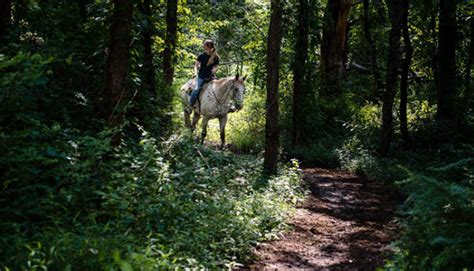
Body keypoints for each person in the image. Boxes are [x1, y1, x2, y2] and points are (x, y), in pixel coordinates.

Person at [190, 39, 220, 106]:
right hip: (201, 76)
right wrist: (195, 73)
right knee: (196, 90)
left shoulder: (216, 57)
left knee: (220, 88)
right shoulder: (201, 56)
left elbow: (216, 66)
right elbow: (196, 65)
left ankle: (223, 106)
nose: (204, 48)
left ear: (210, 47)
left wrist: (215, 69)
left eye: (205, 46)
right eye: (204, 46)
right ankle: (190, 105)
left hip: (211, 77)